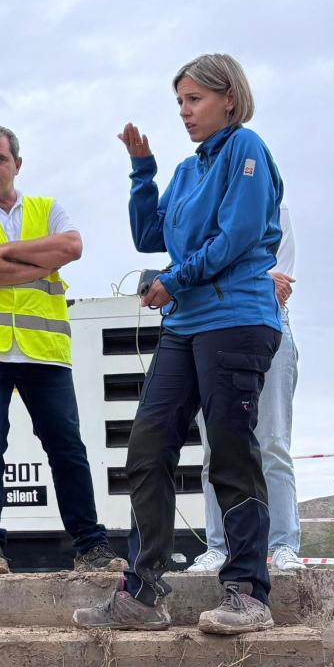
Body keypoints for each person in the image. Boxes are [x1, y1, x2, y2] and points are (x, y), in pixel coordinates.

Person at [73, 53, 284, 635]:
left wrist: (174, 281)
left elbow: (238, 236)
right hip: (186, 325)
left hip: (236, 318)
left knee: (232, 453)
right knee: (147, 449)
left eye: (195, 100)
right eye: (180, 103)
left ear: (229, 100)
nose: (186, 113)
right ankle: (143, 594)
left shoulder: (247, 149)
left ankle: (247, 592)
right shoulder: (190, 170)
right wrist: (143, 170)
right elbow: (149, 236)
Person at [0, 126, 118, 576]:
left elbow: (71, 247)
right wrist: (37, 259)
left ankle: (91, 545)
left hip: (44, 350)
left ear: (16, 164)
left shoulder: (48, 208)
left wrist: (1, 255)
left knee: (67, 449)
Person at [190, 205, 303, 574]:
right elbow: (192, 271)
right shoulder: (200, 209)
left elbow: (280, 286)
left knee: (272, 443)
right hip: (212, 329)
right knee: (215, 450)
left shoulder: (272, 208)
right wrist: (252, 278)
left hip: (268, 324)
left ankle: (283, 545)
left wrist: (221, 277)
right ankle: (219, 547)